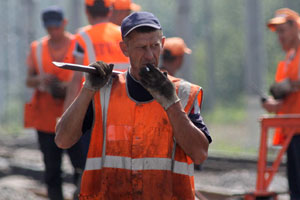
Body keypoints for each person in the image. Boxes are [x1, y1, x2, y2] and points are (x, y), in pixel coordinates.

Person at [55, 11, 211, 199]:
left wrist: (172, 104)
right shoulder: (102, 92)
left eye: (154, 46)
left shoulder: (184, 94)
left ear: (162, 44)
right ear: (125, 48)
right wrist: (87, 89)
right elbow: (63, 139)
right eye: (141, 47)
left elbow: (200, 154)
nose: (149, 55)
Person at [24, 6, 86, 200]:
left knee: (80, 166)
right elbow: (28, 80)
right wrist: (41, 79)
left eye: (56, 27)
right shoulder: (38, 47)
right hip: (46, 118)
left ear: (64, 24)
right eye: (49, 27)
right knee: (52, 170)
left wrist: (69, 86)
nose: (53, 31)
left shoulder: (79, 44)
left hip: (75, 117)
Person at [64, 0, 129, 110]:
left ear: (86, 12)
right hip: (125, 96)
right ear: (110, 11)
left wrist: (66, 113)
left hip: (94, 101)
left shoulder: (82, 37)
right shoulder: (123, 34)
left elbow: (76, 79)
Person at [263, 8, 300, 199]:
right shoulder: (289, 60)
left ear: (295, 27)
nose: (279, 37)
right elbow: (290, 99)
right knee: (295, 187)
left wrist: (288, 85)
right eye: (277, 33)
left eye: (282, 31)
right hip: (292, 131)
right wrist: (274, 104)